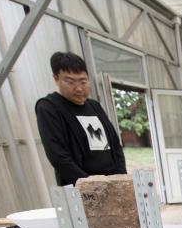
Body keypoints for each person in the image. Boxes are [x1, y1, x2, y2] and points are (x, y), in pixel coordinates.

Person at [35, 52, 126, 186]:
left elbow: (115, 144)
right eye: (69, 82)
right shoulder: (49, 107)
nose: (78, 88)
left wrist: (120, 177)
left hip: (112, 181)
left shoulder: (94, 106)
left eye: (83, 81)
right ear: (56, 78)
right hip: (79, 186)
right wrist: (89, 186)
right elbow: (58, 156)